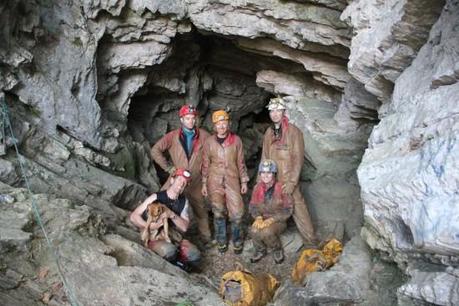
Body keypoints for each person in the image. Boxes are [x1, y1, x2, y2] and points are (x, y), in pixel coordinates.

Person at [151, 104, 212, 243]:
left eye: (193, 118)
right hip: (176, 180)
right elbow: (155, 150)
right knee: (161, 203)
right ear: (181, 119)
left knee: (200, 210)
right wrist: (168, 168)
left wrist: (207, 175)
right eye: (187, 118)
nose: (190, 121)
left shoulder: (205, 136)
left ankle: (206, 239)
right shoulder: (173, 136)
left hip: (196, 180)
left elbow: (214, 155)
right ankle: (157, 233)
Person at [261, 97, 316, 244]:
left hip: (288, 181)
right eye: (272, 111)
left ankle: (311, 241)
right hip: (273, 180)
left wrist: (292, 182)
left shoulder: (294, 132)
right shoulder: (268, 133)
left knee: (299, 209)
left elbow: (298, 159)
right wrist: (263, 179)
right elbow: (264, 157)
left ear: (284, 111)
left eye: (278, 110)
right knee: (272, 209)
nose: (275, 114)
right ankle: (272, 238)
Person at [130, 168, 201, 271]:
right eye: (179, 180)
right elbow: (134, 216)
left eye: (184, 183)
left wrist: (171, 214)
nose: (181, 184)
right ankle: (175, 261)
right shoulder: (156, 197)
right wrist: (149, 226)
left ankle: (179, 262)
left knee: (194, 255)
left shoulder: (183, 202)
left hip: (173, 235)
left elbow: (184, 227)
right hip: (155, 235)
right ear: (172, 180)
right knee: (169, 251)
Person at [201, 110, 249, 254]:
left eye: (224, 122)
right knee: (218, 212)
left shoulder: (236, 140)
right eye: (218, 123)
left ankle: (237, 240)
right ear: (214, 126)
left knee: (237, 213)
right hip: (214, 181)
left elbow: (241, 162)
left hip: (232, 180)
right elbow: (205, 164)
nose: (221, 126)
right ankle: (221, 241)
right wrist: (204, 183)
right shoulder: (209, 142)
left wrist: (244, 181)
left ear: (228, 124)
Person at [249, 159, 293, 264]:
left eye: (269, 172)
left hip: (279, 221)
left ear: (274, 174)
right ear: (260, 174)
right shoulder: (257, 188)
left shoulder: (281, 188)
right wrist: (258, 217)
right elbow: (253, 206)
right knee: (253, 230)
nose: (265, 175)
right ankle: (260, 250)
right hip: (263, 217)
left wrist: (273, 219)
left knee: (266, 232)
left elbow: (288, 210)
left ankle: (277, 250)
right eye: (263, 172)